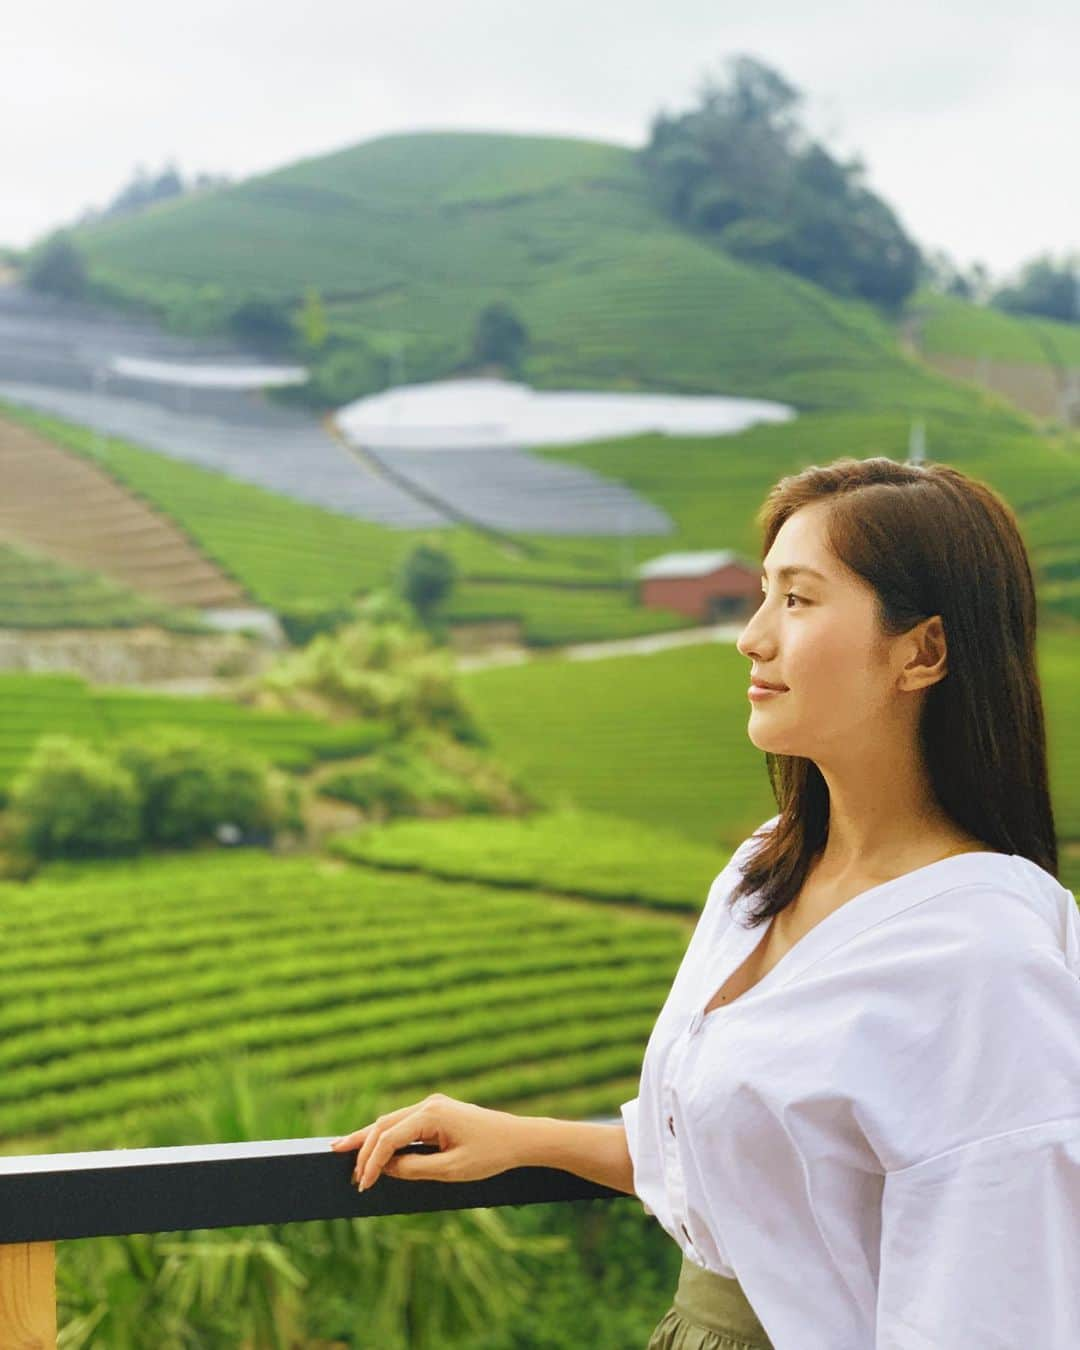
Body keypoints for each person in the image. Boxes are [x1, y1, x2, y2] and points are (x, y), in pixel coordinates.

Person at [331, 455, 1080, 1348]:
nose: (751, 636)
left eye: (797, 601)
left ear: (922, 651)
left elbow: (993, 1306)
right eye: (762, 594)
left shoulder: (987, 962)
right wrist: (525, 1138)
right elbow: (742, 1163)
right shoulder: (763, 874)